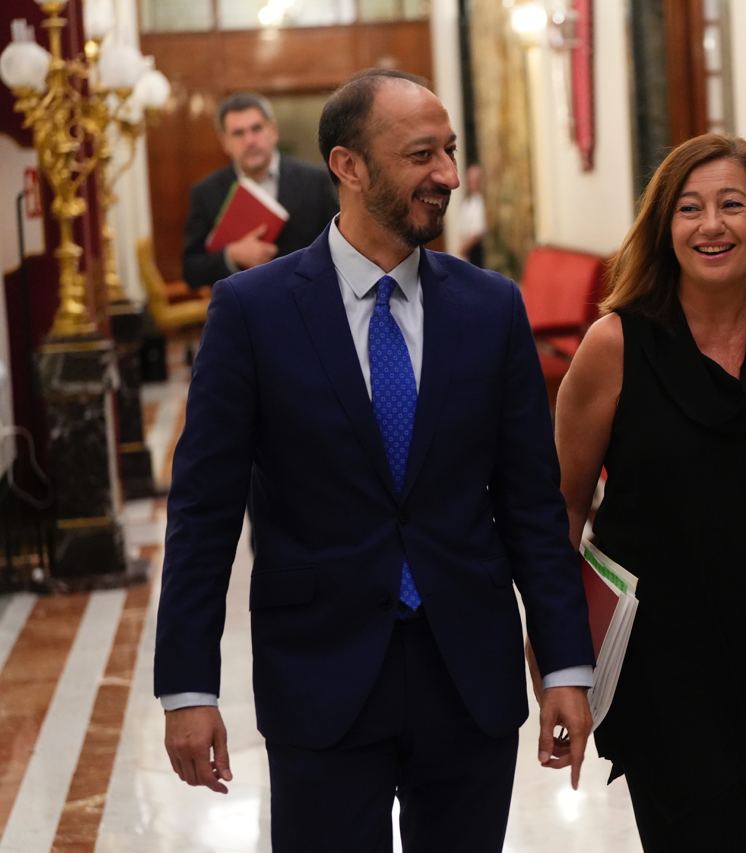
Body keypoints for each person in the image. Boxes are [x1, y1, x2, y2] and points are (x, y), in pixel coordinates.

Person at [154, 69, 595, 853]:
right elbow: (203, 510)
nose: (448, 176)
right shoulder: (253, 313)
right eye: (422, 154)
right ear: (348, 167)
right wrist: (188, 688)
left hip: (467, 675)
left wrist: (565, 664)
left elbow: (532, 502)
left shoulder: (490, 308)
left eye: (451, 152)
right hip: (320, 673)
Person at [554, 133, 746, 851]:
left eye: (732, 204)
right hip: (659, 659)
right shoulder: (617, 345)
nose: (711, 224)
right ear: (665, 230)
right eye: (689, 208)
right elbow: (563, 508)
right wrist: (558, 663)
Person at [181, 91, 338, 289]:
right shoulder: (205, 192)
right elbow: (190, 270)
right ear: (224, 143)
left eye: (256, 129)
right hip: (241, 311)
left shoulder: (317, 180)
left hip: (307, 301)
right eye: (238, 133)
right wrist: (231, 255)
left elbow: (338, 248)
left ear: (273, 131)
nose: (250, 140)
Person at [456, 162, 487, 268]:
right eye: (470, 180)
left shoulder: (481, 203)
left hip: (476, 251)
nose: (471, 183)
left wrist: (465, 247)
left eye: (474, 180)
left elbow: (478, 232)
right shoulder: (468, 203)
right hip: (467, 253)